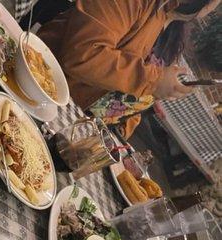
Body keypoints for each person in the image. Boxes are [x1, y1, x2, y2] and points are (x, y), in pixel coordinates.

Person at [37, 0, 220, 138]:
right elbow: (82, 53)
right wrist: (153, 81)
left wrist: (120, 131)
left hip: (76, 123)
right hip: (40, 89)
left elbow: (133, 99)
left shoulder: (171, 31)